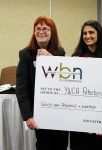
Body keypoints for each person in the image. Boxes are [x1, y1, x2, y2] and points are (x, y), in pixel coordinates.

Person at [16, 16, 68, 150]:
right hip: (40, 112)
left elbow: (64, 80)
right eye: (38, 28)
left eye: (45, 28)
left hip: (60, 111)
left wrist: (51, 59)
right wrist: (28, 116)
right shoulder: (25, 54)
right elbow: (22, 88)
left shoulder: (60, 52)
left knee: (61, 144)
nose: (41, 31)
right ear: (34, 32)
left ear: (52, 32)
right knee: (44, 144)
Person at [70, 20, 102, 150]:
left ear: (99, 34)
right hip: (79, 115)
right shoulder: (76, 56)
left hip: (100, 114)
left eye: (91, 32)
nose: (87, 36)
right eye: (84, 33)